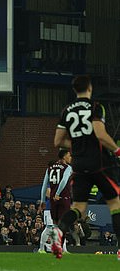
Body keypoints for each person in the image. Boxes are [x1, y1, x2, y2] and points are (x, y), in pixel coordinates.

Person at [50, 75, 120, 260]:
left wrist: (76, 145)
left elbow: (58, 141)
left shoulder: (67, 110)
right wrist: (117, 150)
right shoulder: (95, 107)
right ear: (89, 88)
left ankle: (59, 232)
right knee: (115, 203)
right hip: (99, 163)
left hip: (79, 164)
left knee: (79, 208)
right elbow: (101, 135)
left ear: (75, 90)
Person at [38, 150, 72, 253]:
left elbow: (44, 186)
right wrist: (57, 193)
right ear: (64, 156)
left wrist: (42, 200)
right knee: (51, 227)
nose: (71, 157)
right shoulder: (67, 168)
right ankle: (41, 248)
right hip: (60, 200)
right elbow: (64, 180)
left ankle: (62, 249)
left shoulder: (49, 169)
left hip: (52, 203)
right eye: (69, 155)